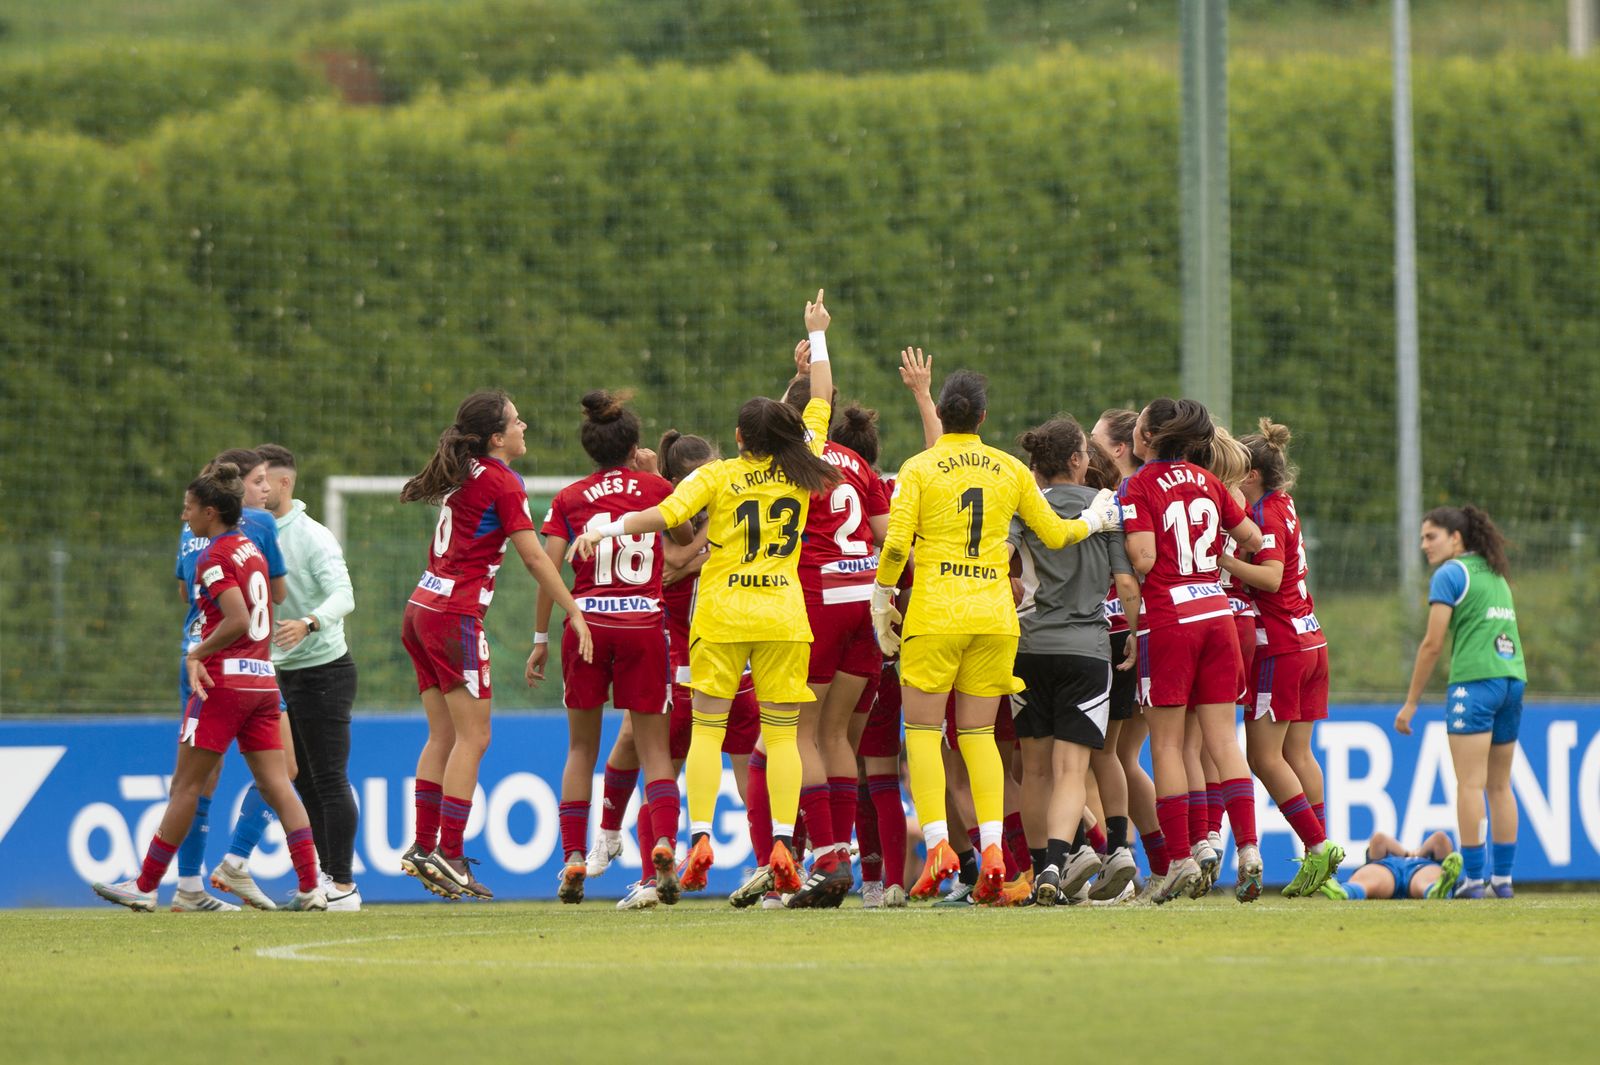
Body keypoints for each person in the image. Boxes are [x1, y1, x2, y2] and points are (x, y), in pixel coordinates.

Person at [570, 290, 840, 899]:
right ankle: (782, 844)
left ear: (739, 437)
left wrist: (604, 527)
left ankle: (698, 838)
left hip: (720, 616)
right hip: (783, 616)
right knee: (782, 736)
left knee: (708, 732)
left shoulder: (716, 476)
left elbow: (663, 515)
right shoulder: (804, 465)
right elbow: (821, 396)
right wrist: (819, 334)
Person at [870, 365, 1121, 904]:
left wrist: (882, 597)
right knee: (979, 736)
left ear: (942, 414)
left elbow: (895, 545)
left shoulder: (918, 467)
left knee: (924, 733)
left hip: (936, 613)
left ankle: (937, 846)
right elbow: (1055, 534)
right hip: (993, 618)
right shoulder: (1009, 468)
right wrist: (1095, 520)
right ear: (983, 417)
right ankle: (992, 853)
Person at [94, 464, 325, 911]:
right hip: (262, 681)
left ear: (210, 512)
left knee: (186, 785)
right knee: (279, 784)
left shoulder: (214, 556)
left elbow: (237, 618)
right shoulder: (251, 548)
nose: (185, 517)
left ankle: (145, 886)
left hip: (223, 684)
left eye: (189, 509)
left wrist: (197, 653)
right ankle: (311, 888)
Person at [398, 390, 594, 901]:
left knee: (443, 735)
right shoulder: (503, 480)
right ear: (496, 438)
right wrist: (572, 610)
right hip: (453, 615)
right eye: (516, 421)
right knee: (475, 737)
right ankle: (449, 853)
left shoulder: (463, 472)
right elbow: (534, 557)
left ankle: (424, 846)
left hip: (420, 608)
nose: (524, 426)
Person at [529, 391, 690, 906]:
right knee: (655, 749)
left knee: (581, 748)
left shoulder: (570, 498)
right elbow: (684, 531)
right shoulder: (656, 487)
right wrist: (655, 478)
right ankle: (663, 843)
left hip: (588, 627)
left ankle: (574, 855)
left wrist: (540, 638)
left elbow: (548, 569)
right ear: (633, 444)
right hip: (644, 624)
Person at [1120, 398, 1272, 904]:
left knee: (1166, 746)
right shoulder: (1209, 480)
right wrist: (1212, 554)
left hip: (1170, 620)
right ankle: (1248, 849)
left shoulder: (1137, 485)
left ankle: (1180, 858)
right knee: (1223, 742)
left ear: (1149, 436)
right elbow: (1252, 537)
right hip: (1217, 615)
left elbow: (1144, 557)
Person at [1007, 416, 1137, 905]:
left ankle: (1040, 865)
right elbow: (1125, 583)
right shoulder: (1106, 505)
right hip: (1086, 650)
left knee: (1035, 771)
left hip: (1028, 649)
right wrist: (1135, 632)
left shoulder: (1025, 504)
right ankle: (1058, 865)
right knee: (1070, 771)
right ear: (1079, 460)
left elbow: (1002, 562)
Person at [779, 354, 891, 908]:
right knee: (839, 736)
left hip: (818, 599)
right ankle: (840, 853)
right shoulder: (858, 463)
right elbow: (885, 533)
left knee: (803, 735)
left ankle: (825, 856)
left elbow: (781, 421)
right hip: (863, 599)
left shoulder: (793, 460)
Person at [1220, 419, 1343, 897]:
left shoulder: (1266, 514)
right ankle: (1322, 864)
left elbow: (1271, 578)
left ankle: (1317, 847)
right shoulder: (1283, 503)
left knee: (1263, 756)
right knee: (1297, 753)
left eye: (1235, 470)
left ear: (1251, 475)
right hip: (1311, 639)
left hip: (1282, 645)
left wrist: (1224, 561)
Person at [172, 447, 288, 912]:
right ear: (235, 489)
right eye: (258, 480)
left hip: (195, 656)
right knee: (284, 770)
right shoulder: (259, 525)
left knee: (198, 780)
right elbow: (277, 593)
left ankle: (189, 886)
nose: (265, 489)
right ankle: (241, 862)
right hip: (243, 665)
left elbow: (186, 591)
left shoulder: (190, 526)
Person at [1395, 505, 1525, 899]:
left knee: (1470, 784)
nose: (1424, 545)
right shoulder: (1495, 573)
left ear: (1456, 538)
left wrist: (1411, 703)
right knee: (1500, 786)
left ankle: (1472, 879)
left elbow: (1432, 644)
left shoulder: (1450, 574)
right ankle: (1502, 880)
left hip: (1474, 684)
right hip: (1512, 679)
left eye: (1431, 536)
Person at [256, 443, 361, 911]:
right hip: (280, 673)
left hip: (325, 671)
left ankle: (343, 885)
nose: (258, 489)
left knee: (330, 779)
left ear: (285, 483)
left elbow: (344, 595)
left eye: (264, 480)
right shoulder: (252, 531)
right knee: (302, 782)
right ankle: (322, 878)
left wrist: (309, 622)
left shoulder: (313, 536)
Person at [1092, 408, 1163, 895]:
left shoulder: (1118, 496)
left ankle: (1111, 861)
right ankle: (1162, 861)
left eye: (1094, 437)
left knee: (1096, 756)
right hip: (1144, 630)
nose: (1085, 443)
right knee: (1124, 756)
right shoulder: (1153, 490)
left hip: (1116, 632)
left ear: (1119, 448)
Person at [1317, 831, 1463, 901]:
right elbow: (1379, 840)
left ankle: (1345, 892)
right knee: (1369, 880)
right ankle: (1343, 892)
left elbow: (1440, 840)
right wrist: (1412, 854)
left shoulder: (1425, 862)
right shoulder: (1422, 859)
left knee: (1368, 882)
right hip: (1393, 868)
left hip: (1414, 868)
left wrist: (1412, 854)